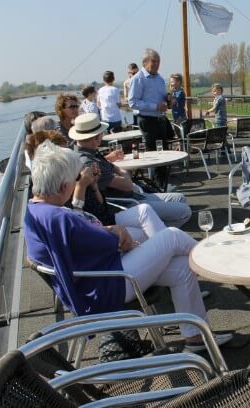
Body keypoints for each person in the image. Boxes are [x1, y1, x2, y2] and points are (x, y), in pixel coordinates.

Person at [24, 143, 231, 351]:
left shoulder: (37, 211)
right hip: (108, 286)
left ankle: (195, 337)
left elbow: (90, 239)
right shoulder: (58, 218)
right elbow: (111, 243)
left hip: (96, 280)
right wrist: (117, 234)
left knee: (181, 268)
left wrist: (114, 232)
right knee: (172, 236)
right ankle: (217, 263)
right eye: (73, 180)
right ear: (62, 186)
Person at [71, 113, 192, 228]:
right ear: (95, 138)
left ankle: (159, 229)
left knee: (180, 198)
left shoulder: (89, 153)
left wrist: (120, 172)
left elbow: (116, 169)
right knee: (185, 211)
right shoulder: (89, 162)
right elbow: (127, 185)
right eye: (101, 133)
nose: (103, 135)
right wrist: (123, 173)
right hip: (126, 203)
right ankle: (160, 235)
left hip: (133, 195)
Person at [128, 48, 173, 151]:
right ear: (145, 62)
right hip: (147, 120)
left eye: (158, 61)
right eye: (153, 61)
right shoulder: (138, 78)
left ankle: (163, 168)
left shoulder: (160, 79)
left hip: (160, 120)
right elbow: (132, 102)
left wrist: (168, 100)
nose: (157, 64)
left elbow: (162, 98)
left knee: (164, 153)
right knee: (152, 153)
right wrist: (155, 106)